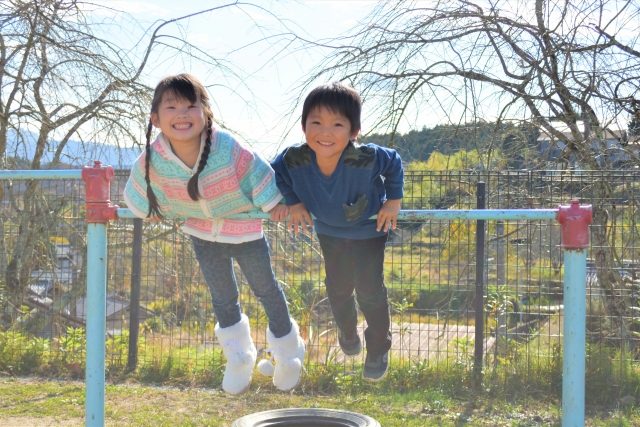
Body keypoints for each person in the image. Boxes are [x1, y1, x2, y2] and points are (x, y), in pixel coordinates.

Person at [123, 74, 305, 395]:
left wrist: (273, 202)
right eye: (171, 106)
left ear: (206, 112)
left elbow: (255, 170)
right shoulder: (154, 158)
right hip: (202, 233)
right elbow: (140, 190)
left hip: (245, 228)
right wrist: (150, 210)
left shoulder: (225, 146)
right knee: (222, 296)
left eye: (191, 105)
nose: (182, 113)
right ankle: (238, 356)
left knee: (266, 288)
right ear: (156, 118)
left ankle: (288, 351)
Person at [271, 81, 403, 382]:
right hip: (330, 231)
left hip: (369, 230)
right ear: (304, 127)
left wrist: (393, 201)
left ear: (353, 131)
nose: (325, 132)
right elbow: (274, 174)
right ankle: (347, 330)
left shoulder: (366, 157)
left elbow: (394, 163)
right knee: (339, 288)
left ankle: (379, 346)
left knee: (370, 290)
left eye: (337, 124)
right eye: (316, 123)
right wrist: (293, 203)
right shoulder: (295, 158)